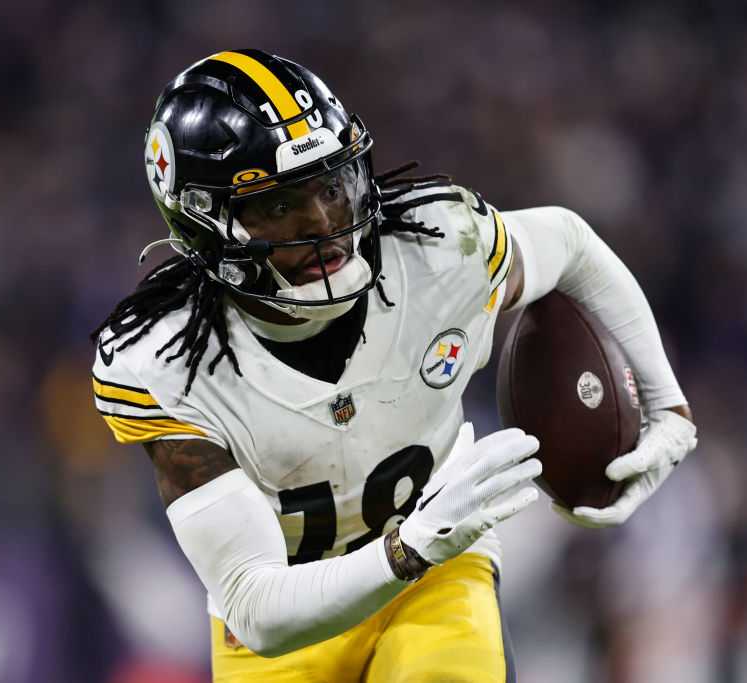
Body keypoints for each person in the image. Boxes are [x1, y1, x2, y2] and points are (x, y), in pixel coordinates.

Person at [91, 50, 697, 682]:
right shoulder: (165, 363)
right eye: (279, 207)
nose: (325, 225)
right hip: (291, 616)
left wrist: (669, 406)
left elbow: (569, 243)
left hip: (435, 575)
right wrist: (404, 548)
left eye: (332, 186)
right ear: (204, 223)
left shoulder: (436, 247)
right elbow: (257, 609)